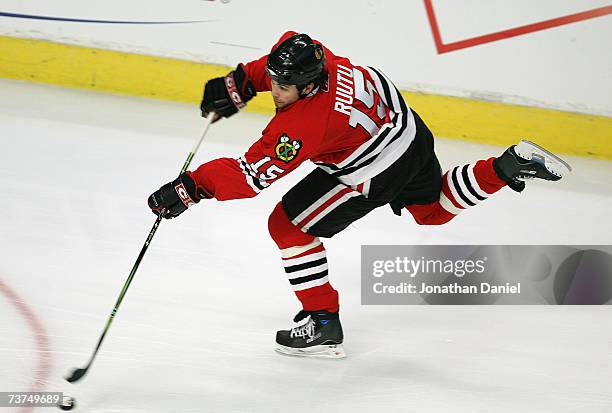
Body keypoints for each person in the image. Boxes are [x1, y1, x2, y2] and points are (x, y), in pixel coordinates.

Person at [148, 31, 571, 358]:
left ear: (309, 87)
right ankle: (507, 166)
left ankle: (323, 321)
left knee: (288, 225)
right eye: (275, 80)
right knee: (432, 212)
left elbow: (248, 177)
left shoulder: (303, 126)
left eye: (283, 87)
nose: (275, 90)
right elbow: (274, 62)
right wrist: (239, 84)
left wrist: (191, 187)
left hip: (376, 167)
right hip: (408, 133)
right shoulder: (314, 54)